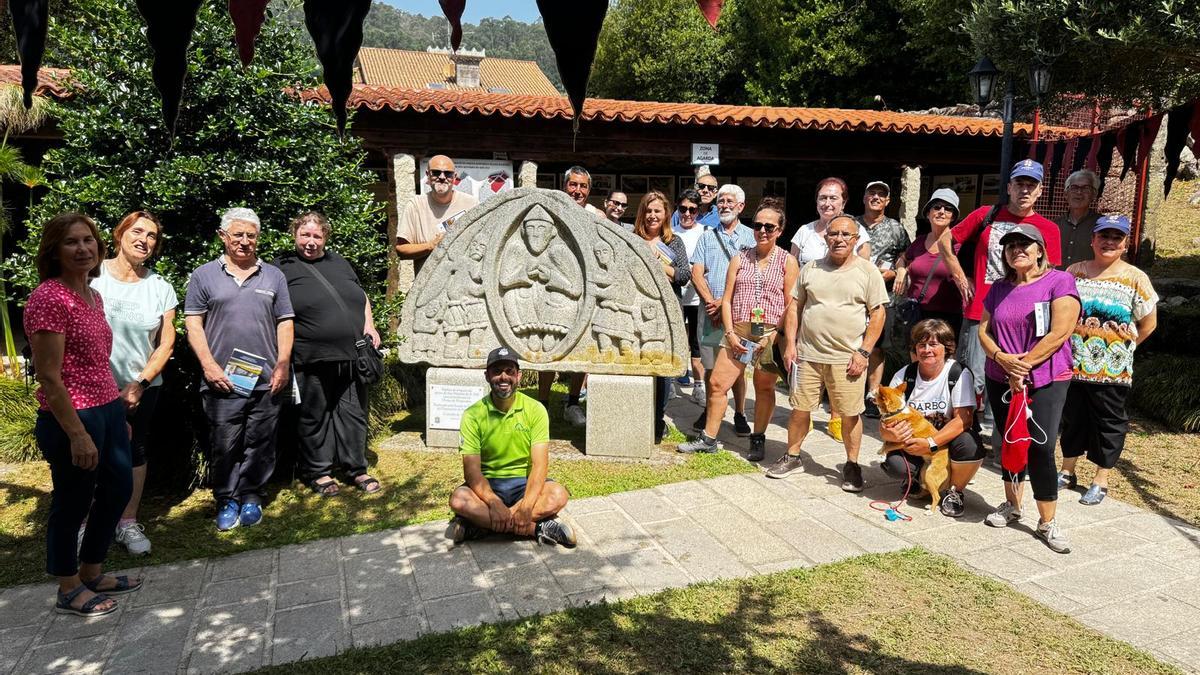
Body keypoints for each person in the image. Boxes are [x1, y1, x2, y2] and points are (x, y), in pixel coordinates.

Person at [26, 212, 142, 617]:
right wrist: (77, 433)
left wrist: (115, 412)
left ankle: (92, 571)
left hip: (106, 409)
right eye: (71, 242)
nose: (82, 249)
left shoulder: (93, 295)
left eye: (88, 240)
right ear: (55, 251)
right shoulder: (49, 298)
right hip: (71, 416)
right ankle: (67, 585)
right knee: (73, 502)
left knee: (117, 491)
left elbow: (95, 362)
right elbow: (49, 377)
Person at [937, 159, 1063, 446]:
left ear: (1040, 191)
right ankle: (965, 437)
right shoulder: (987, 214)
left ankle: (1003, 441)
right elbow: (946, 239)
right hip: (980, 309)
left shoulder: (1047, 228)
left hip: (1024, 318)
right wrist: (959, 274)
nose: (1024, 190)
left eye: (1031, 185)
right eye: (1020, 184)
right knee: (974, 377)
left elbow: (1051, 274)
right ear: (1009, 187)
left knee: (1013, 375)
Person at [185, 208, 294, 532]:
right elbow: (193, 324)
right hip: (222, 379)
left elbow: (285, 322)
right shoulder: (204, 275)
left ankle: (251, 496)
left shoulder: (273, 276)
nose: (245, 242)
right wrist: (208, 365)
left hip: (265, 379)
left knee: (261, 442)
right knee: (224, 443)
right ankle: (226, 498)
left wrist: (283, 364)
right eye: (238, 235)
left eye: (251, 235)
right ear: (223, 237)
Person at [978, 223, 1079, 554]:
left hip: (1045, 377)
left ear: (1040, 250)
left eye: (1025, 244)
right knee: (1009, 441)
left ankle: (1047, 520)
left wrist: (1022, 366)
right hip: (1000, 375)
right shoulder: (998, 288)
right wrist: (1002, 359)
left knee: (1040, 445)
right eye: (1011, 246)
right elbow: (983, 331)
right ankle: (1012, 504)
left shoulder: (1059, 281)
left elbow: (1060, 332)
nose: (1017, 249)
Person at [770, 215, 887, 492]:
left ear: (856, 239)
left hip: (847, 359)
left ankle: (852, 465)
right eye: (834, 234)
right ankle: (794, 455)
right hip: (808, 355)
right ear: (825, 238)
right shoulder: (811, 268)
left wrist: (864, 352)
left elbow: (879, 313)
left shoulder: (867, 272)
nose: (839, 239)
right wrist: (789, 344)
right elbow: (795, 307)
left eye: (846, 234)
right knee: (799, 409)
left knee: (849, 414)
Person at [679, 199, 798, 460]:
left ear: (779, 230)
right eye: (758, 225)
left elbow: (791, 303)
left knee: (763, 387)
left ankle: (758, 437)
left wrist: (778, 336)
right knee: (718, 383)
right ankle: (708, 438)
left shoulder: (787, 261)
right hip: (740, 331)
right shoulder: (740, 258)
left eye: (769, 226)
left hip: (769, 333)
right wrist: (730, 334)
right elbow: (728, 298)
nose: (763, 231)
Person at [276, 212, 383, 497]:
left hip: (351, 355)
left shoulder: (340, 263)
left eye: (316, 236)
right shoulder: (282, 267)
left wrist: (369, 325)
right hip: (310, 356)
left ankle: (356, 469)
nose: (310, 242)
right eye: (305, 235)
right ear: (295, 235)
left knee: (353, 414)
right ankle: (319, 472)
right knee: (315, 415)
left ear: (325, 237)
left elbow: (361, 296)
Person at [89, 211, 177, 556]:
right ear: (119, 235)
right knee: (89, 454)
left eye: (152, 235)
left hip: (140, 390)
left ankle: (127, 522)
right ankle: (86, 524)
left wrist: (139, 384)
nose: (144, 239)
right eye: (137, 231)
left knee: (134, 451)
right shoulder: (92, 278)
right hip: (92, 389)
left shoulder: (160, 287)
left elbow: (166, 343)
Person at [1059, 215, 1158, 505]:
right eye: (1104, 236)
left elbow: (1149, 323)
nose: (1109, 242)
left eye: (1117, 238)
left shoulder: (1136, 278)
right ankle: (1067, 471)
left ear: (1125, 244)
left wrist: (1125, 348)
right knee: (1072, 418)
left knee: (1109, 422)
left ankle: (1101, 479)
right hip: (1073, 364)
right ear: (1093, 239)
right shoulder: (1074, 272)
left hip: (1111, 370)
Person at [447, 347, 577, 547]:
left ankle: (478, 526)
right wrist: (494, 502)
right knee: (459, 499)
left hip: (524, 483)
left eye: (509, 371)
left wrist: (526, 506)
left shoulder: (535, 410)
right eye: (496, 371)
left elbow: (540, 465)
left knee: (558, 494)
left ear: (519, 376)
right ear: (487, 376)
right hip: (489, 485)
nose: (503, 377)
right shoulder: (472, 415)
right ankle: (537, 528)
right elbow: (471, 471)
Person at [788, 177, 872, 442]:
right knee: (807, 375)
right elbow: (792, 270)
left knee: (840, 375)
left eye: (833, 198)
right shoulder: (804, 231)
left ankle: (837, 418)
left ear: (844, 202)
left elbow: (863, 275)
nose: (827, 203)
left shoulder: (858, 232)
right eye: (823, 197)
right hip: (809, 307)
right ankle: (806, 419)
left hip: (845, 319)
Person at [879, 319, 986, 517]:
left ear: (947, 348)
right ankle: (921, 480)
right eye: (921, 344)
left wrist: (931, 443)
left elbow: (964, 419)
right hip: (914, 441)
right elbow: (884, 422)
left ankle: (955, 492)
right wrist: (889, 433)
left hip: (947, 442)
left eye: (933, 344)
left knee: (970, 444)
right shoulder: (905, 375)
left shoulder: (957, 373)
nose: (927, 349)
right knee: (895, 466)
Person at [689, 184, 756, 437]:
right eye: (721, 201)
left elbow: (752, 275)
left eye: (730, 201)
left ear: (740, 206)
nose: (724, 205)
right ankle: (711, 407)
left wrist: (723, 302)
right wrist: (710, 302)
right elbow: (697, 273)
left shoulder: (751, 237)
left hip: (738, 313)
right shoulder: (706, 236)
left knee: (738, 365)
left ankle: (739, 412)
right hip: (711, 313)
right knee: (709, 365)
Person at [536, 166, 595, 426]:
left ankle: (572, 402)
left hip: (585, 291)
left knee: (582, 348)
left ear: (589, 191)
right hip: (553, 291)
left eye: (583, 186)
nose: (577, 191)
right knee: (548, 344)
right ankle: (542, 404)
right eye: (573, 185)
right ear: (564, 186)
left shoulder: (595, 218)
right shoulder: (552, 214)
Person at [632, 191, 692, 443]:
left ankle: (658, 417)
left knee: (663, 369)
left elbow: (682, 276)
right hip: (636, 309)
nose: (653, 215)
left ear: (666, 214)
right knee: (637, 363)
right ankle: (637, 414)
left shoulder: (673, 241)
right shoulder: (632, 239)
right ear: (642, 213)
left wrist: (658, 262)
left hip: (666, 313)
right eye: (649, 210)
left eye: (658, 211)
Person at [857, 180, 911, 418]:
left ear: (888, 201)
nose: (876, 197)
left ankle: (872, 395)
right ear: (864, 198)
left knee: (876, 347)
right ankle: (848, 393)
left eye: (882, 194)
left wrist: (897, 270)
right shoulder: (852, 223)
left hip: (882, 296)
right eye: (872, 193)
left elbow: (904, 254)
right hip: (854, 293)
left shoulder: (896, 228)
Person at [894, 188, 965, 337]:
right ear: (928, 213)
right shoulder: (919, 241)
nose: (942, 211)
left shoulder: (960, 245)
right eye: (937, 207)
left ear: (953, 217)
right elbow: (903, 259)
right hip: (916, 315)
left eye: (948, 209)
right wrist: (901, 270)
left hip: (948, 319)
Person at [395, 155, 479, 276]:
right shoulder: (415, 205)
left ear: (454, 177)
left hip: (461, 283)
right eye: (436, 173)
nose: (442, 177)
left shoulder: (471, 204)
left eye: (448, 174)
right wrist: (431, 246)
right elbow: (401, 249)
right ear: (428, 175)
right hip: (427, 286)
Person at [673, 188, 707, 401]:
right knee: (675, 340)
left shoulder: (704, 232)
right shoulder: (670, 231)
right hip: (675, 295)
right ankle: (670, 383)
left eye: (692, 210)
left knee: (696, 343)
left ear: (698, 211)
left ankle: (699, 385)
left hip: (695, 297)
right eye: (683, 208)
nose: (687, 214)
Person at [1056, 169, 1102, 267]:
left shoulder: (1102, 226)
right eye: (1074, 187)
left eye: (1086, 188)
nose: (1079, 192)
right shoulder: (1054, 226)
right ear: (1066, 194)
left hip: (1089, 281)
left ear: (1094, 194)